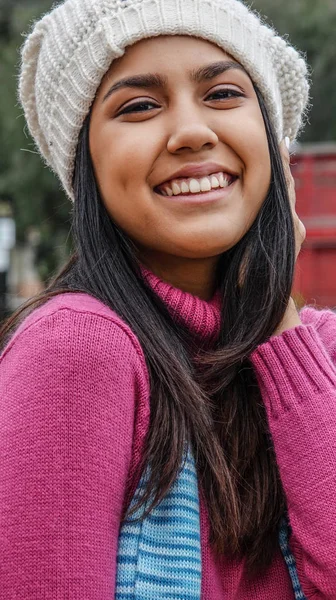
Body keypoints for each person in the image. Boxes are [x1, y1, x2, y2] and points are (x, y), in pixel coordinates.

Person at [0, 0, 335, 598]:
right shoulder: (75, 349)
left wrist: (279, 322)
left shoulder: (320, 354)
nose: (192, 131)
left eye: (225, 95)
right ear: (87, 168)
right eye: (140, 106)